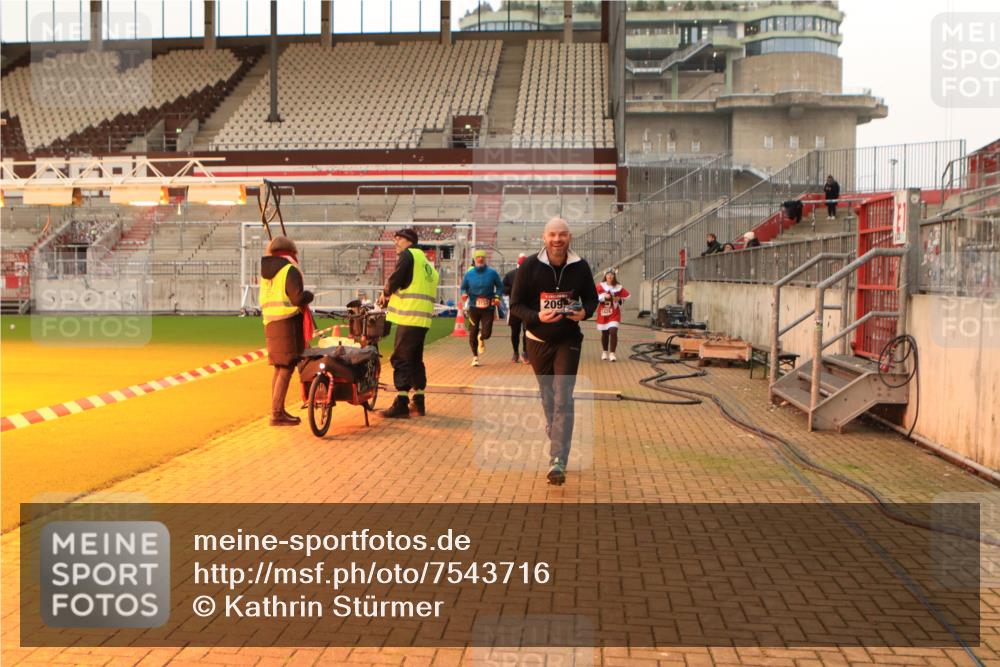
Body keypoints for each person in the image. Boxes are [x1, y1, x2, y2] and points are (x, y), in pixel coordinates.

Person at [510, 217, 599, 486]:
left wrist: (585, 312)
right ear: (544, 237)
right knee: (548, 397)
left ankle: (557, 459)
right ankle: (555, 430)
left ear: (569, 237)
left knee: (563, 396)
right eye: (552, 235)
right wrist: (537, 317)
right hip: (537, 339)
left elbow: (591, 298)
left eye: (562, 235)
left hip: (568, 340)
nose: (557, 239)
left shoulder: (580, 266)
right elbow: (515, 305)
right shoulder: (530, 267)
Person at [378, 228, 440, 418]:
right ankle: (419, 401)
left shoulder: (408, 256)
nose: (396, 243)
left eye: (399, 239)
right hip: (423, 318)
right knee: (415, 359)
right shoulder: (426, 263)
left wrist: (385, 293)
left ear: (409, 241)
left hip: (410, 316)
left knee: (401, 358)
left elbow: (396, 278)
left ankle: (402, 403)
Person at [260, 236, 314, 426]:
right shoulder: (289, 269)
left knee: (279, 367)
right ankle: (276, 414)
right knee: (286, 367)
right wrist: (309, 295)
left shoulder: (267, 272)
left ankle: (277, 409)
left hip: (271, 322)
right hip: (287, 323)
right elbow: (297, 298)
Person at [461, 249, 504, 367]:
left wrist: (496, 297)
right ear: (474, 260)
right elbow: (463, 287)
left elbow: (500, 287)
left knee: (487, 333)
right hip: (474, 307)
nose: (480, 259)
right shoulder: (469, 274)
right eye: (478, 257)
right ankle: (475, 357)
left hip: (488, 307)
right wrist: (464, 293)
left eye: (482, 257)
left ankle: (482, 337)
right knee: (472, 333)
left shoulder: (492, 273)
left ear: (485, 259)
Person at [596, 270, 630, 362]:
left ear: (614, 276)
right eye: (608, 275)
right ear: (605, 276)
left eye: (612, 275)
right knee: (605, 333)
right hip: (603, 312)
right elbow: (594, 296)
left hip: (614, 313)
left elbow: (625, 297)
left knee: (613, 331)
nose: (610, 276)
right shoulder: (600, 286)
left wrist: (618, 299)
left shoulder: (618, 287)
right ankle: (604, 352)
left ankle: (612, 353)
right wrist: (603, 297)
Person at [502, 253, 529, 363]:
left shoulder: (532, 274)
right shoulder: (510, 275)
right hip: (515, 308)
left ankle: (525, 353)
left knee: (527, 331)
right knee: (515, 332)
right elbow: (503, 288)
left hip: (528, 307)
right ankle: (515, 352)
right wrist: (512, 291)